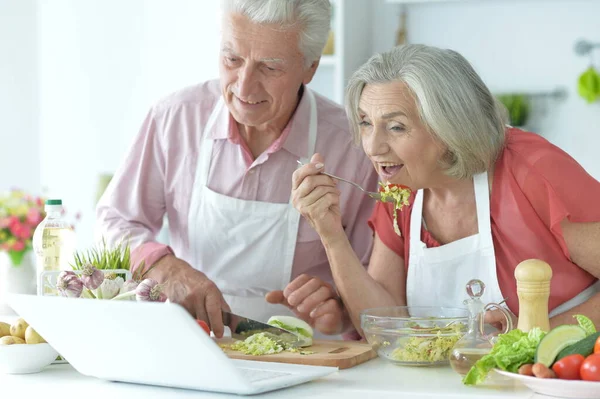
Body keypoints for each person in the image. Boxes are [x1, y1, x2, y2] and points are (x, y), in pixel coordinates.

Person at [95, 0, 378, 337]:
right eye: (232, 60)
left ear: (310, 67)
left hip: (309, 359)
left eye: (270, 68)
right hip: (193, 343)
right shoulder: (176, 118)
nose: (244, 87)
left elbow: (377, 292)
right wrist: (164, 268)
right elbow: (115, 221)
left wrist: (338, 309)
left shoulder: (354, 146)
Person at [292, 44, 600, 335]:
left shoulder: (531, 169)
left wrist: (534, 337)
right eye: (365, 122)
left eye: (396, 126)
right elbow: (385, 324)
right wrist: (331, 234)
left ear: (450, 127)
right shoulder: (400, 192)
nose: (372, 146)